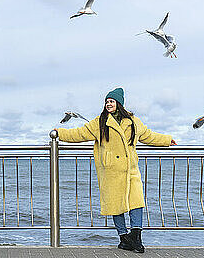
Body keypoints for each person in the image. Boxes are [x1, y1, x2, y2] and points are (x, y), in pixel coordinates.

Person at [55, 87, 176, 253]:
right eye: (106, 102)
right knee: (115, 204)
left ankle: (135, 236)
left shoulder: (133, 121)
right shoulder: (100, 122)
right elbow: (80, 134)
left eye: (111, 101)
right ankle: (123, 237)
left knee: (136, 202)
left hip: (130, 169)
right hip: (111, 170)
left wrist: (167, 140)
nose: (108, 104)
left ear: (119, 103)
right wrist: (59, 133)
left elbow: (148, 135)